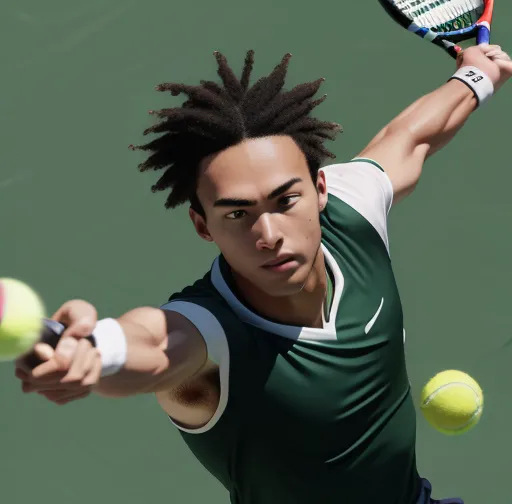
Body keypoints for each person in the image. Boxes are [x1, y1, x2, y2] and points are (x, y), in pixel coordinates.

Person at [15, 45, 512, 504]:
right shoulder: (210, 336)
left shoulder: (351, 209)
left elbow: (411, 137)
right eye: (237, 214)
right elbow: (154, 344)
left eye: (284, 200)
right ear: (201, 225)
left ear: (320, 188)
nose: (269, 233)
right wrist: (98, 349)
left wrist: (477, 74)